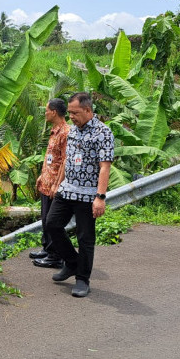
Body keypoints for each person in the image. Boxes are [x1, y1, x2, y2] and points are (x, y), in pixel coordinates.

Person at [46, 92, 114, 297]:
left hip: (87, 195)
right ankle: (72, 262)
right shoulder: (73, 131)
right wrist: (59, 184)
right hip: (68, 189)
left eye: (75, 112)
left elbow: (105, 167)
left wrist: (100, 197)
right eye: (70, 112)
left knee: (85, 238)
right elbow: (68, 159)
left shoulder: (103, 132)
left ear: (87, 110)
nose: (71, 116)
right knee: (51, 224)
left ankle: (83, 279)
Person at [29, 98, 70, 269]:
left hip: (54, 185)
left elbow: (65, 161)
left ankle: (56, 256)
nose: (45, 113)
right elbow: (51, 158)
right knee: (45, 218)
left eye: (46, 110)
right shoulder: (54, 130)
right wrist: (42, 175)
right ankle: (47, 248)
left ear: (53, 112)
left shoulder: (65, 132)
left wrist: (57, 184)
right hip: (46, 182)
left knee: (52, 220)